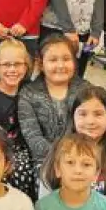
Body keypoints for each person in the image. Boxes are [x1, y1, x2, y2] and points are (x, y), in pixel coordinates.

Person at [18, 33, 90, 191]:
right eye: (53, 60)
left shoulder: (86, 90)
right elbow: (33, 136)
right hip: (43, 159)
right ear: (41, 64)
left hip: (81, 157)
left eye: (66, 59)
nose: (60, 65)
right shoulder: (28, 93)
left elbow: (89, 130)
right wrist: (60, 160)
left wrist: (72, 160)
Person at [0, 38, 32, 197]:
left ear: (26, 67)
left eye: (18, 64)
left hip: (27, 150)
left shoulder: (30, 91)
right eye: (6, 64)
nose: (12, 69)